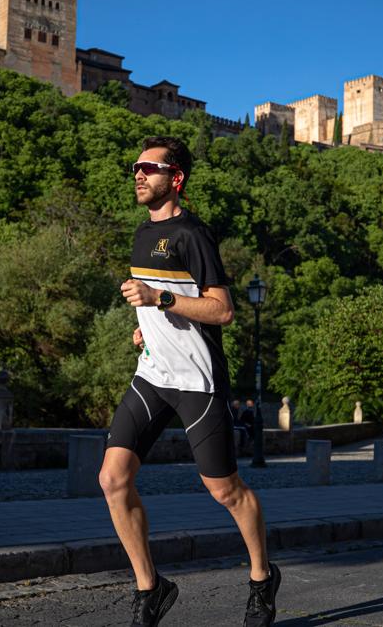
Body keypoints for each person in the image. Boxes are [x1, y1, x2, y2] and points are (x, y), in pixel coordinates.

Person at [101, 136, 280, 627]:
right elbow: (166, 303)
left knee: (225, 491)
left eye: (149, 168)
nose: (138, 175)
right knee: (113, 479)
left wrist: (158, 300)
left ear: (174, 177)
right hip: (153, 374)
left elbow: (221, 310)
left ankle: (262, 579)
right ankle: (150, 588)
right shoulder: (141, 234)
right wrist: (148, 325)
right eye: (135, 167)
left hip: (197, 381)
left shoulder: (193, 235)